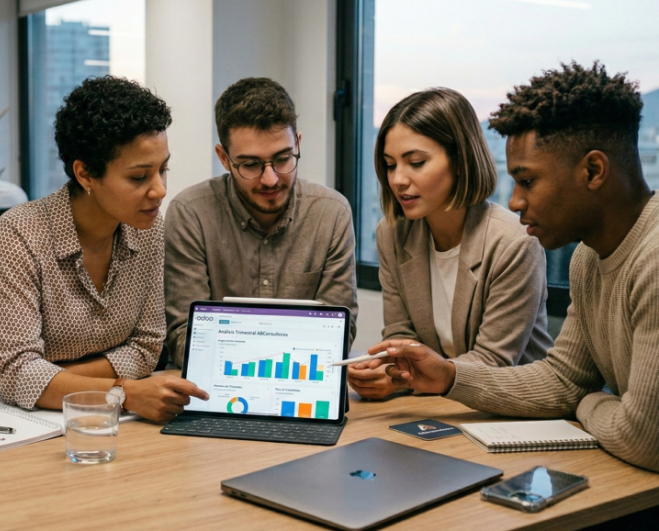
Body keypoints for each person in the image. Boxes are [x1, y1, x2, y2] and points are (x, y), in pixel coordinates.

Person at [367, 62, 659, 474]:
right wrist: (449, 376)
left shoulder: (654, 260)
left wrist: (591, 401)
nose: (516, 201)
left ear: (593, 170)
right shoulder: (588, 258)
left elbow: (642, 438)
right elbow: (565, 381)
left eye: (527, 181)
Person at [0, 76, 209, 422]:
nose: (159, 190)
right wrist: (121, 392)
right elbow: (17, 373)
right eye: (139, 177)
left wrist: (50, 374)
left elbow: (146, 348)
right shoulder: (19, 234)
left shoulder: (147, 229)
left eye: (163, 169)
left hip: (83, 414)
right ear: (85, 173)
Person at [347, 88, 553, 400]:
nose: (398, 179)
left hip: (508, 413)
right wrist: (387, 371)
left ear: (460, 161)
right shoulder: (391, 233)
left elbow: (492, 363)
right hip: (433, 408)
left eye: (415, 162)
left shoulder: (513, 243)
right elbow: (401, 337)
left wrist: (404, 380)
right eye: (390, 165)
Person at [164, 77, 358, 367]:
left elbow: (336, 336)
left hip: (301, 383)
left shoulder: (331, 214)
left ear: (298, 144)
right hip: (215, 388)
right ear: (224, 158)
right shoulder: (191, 214)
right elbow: (184, 341)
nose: (270, 179)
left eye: (282, 159)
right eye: (251, 164)